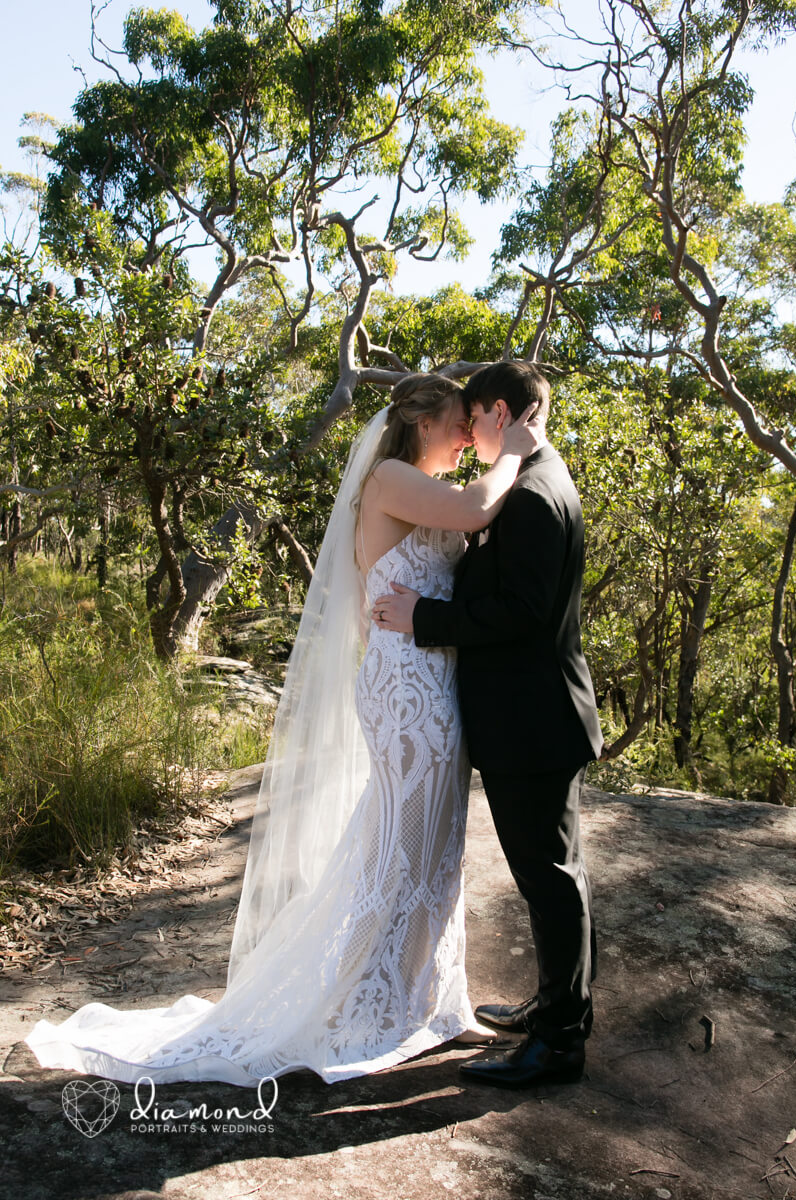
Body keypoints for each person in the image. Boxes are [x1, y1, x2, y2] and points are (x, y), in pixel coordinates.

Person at [23, 372, 540, 1087]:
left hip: (431, 680)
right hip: (407, 690)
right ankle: (366, 1002)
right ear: (423, 423)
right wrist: (515, 448)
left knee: (434, 845)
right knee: (402, 844)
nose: (463, 436)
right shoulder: (391, 477)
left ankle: (420, 996)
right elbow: (479, 509)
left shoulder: (423, 486)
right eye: (458, 422)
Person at [372, 360, 604, 1089]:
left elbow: (521, 613)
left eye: (473, 418)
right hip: (529, 716)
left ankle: (559, 1043)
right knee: (552, 875)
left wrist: (427, 617)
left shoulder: (529, 494)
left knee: (549, 879)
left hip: (531, 720)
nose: (470, 433)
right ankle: (557, 1007)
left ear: (499, 413)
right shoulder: (534, 479)